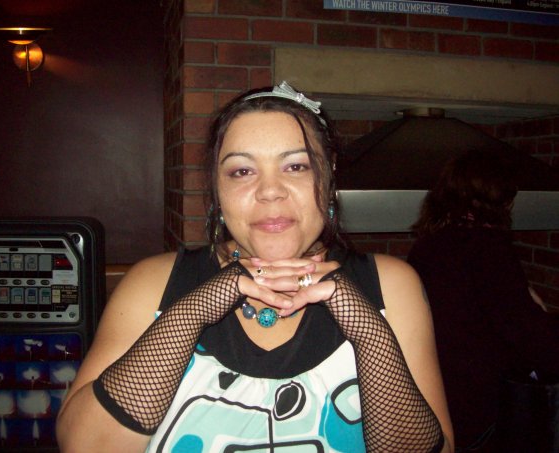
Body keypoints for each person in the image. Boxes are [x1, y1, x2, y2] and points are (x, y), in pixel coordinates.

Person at [56, 81, 454, 452]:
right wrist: (190, 313)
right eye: (242, 171)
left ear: (329, 173)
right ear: (218, 189)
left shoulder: (392, 285)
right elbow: (84, 445)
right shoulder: (152, 282)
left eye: (296, 166)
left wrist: (369, 333)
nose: (270, 191)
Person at [407, 149, 559, 452]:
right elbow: (527, 333)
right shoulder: (488, 248)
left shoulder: (429, 244)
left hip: (435, 392)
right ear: (497, 197)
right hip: (477, 403)